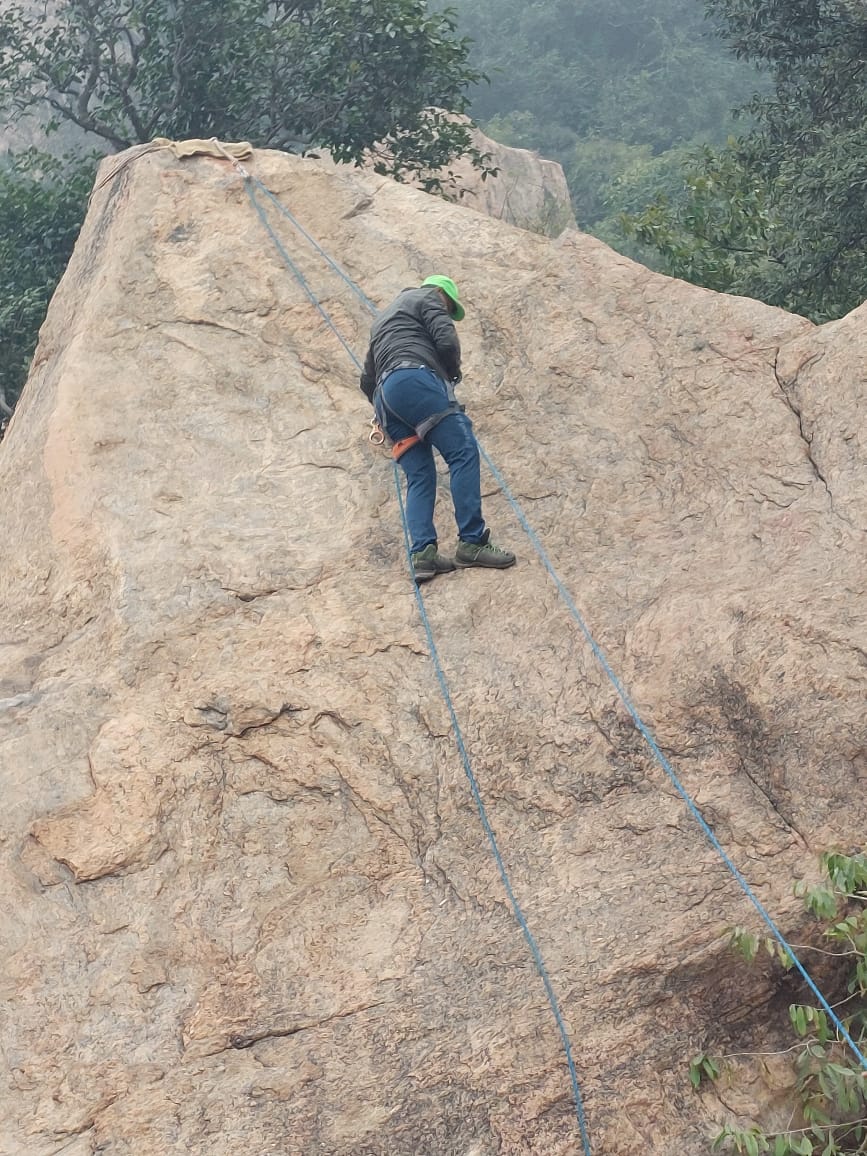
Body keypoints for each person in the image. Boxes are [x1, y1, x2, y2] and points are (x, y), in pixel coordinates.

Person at [360, 275, 516, 583]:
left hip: (385, 398)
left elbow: (366, 379)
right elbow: (446, 341)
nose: (447, 311)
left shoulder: (382, 320)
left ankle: (423, 555)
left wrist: (388, 403)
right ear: (443, 293)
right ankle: (472, 542)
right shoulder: (429, 297)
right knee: (462, 452)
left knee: (420, 476)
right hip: (415, 379)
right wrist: (451, 376)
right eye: (449, 307)